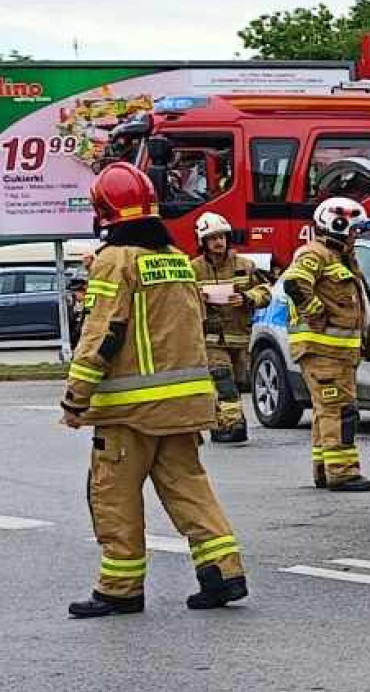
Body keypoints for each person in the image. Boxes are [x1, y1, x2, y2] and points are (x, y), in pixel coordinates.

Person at [61, 164, 246, 618]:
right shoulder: (176, 258)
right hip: (182, 407)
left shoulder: (113, 261)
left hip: (130, 415)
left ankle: (119, 589)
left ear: (104, 211)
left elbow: (102, 334)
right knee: (190, 491)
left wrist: (75, 398)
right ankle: (223, 573)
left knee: (113, 497)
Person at [280, 197, 370, 492]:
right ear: (338, 225)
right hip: (323, 352)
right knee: (340, 410)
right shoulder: (316, 254)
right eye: (353, 230)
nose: (355, 236)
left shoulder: (341, 258)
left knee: (327, 411)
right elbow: (294, 283)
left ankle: (325, 469)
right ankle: (343, 472)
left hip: (336, 354)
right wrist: (314, 311)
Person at [190, 211, 270, 444]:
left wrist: (246, 298)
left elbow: (265, 291)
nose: (218, 242)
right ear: (203, 242)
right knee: (222, 379)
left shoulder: (244, 265)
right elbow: (181, 298)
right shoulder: (193, 269)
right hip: (211, 338)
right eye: (213, 238)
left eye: (222, 237)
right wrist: (199, 297)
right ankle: (236, 425)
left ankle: (219, 423)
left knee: (233, 383)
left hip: (239, 336)